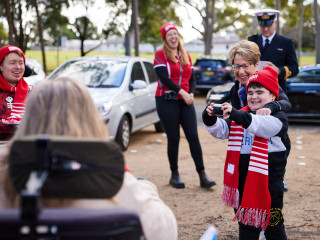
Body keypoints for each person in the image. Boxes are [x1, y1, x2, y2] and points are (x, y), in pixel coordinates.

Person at [0, 77, 178, 240]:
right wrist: (145, 187)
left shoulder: (4, 175)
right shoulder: (115, 184)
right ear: (91, 120)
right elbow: (165, 232)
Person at [202, 66, 288, 240]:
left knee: (274, 228)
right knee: (246, 228)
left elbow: (261, 126)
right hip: (243, 186)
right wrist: (209, 117)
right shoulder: (241, 114)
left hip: (270, 188)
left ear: (272, 96)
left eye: (259, 92)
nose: (254, 96)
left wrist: (236, 115)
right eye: (250, 92)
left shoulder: (279, 117)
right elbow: (221, 131)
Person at [153, 22, 216, 189]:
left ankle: (202, 174)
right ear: (165, 39)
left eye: (175, 34)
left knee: (193, 137)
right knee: (173, 138)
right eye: (169, 35)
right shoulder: (160, 55)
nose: (173, 37)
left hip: (186, 100)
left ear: (178, 36)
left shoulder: (185, 55)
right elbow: (163, 78)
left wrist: (192, 94)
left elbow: (192, 79)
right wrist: (182, 92)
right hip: (166, 100)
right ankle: (174, 174)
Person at [228, 40, 291, 192]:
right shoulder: (234, 89)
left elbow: (286, 104)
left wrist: (270, 107)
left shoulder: (267, 83)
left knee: (270, 190)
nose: (241, 71)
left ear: (256, 65)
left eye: (245, 65)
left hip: (273, 145)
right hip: (248, 144)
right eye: (237, 66)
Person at [248, 8, 299, 93]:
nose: (266, 29)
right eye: (262, 26)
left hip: (276, 90)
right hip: (254, 89)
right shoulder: (252, 41)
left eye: (269, 25)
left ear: (275, 23)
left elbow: (294, 68)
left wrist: (278, 70)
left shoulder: (286, 42)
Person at [0, 45, 32, 140]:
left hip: (25, 146)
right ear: (1, 66)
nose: (18, 67)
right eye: (12, 63)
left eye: (21, 63)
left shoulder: (33, 92)